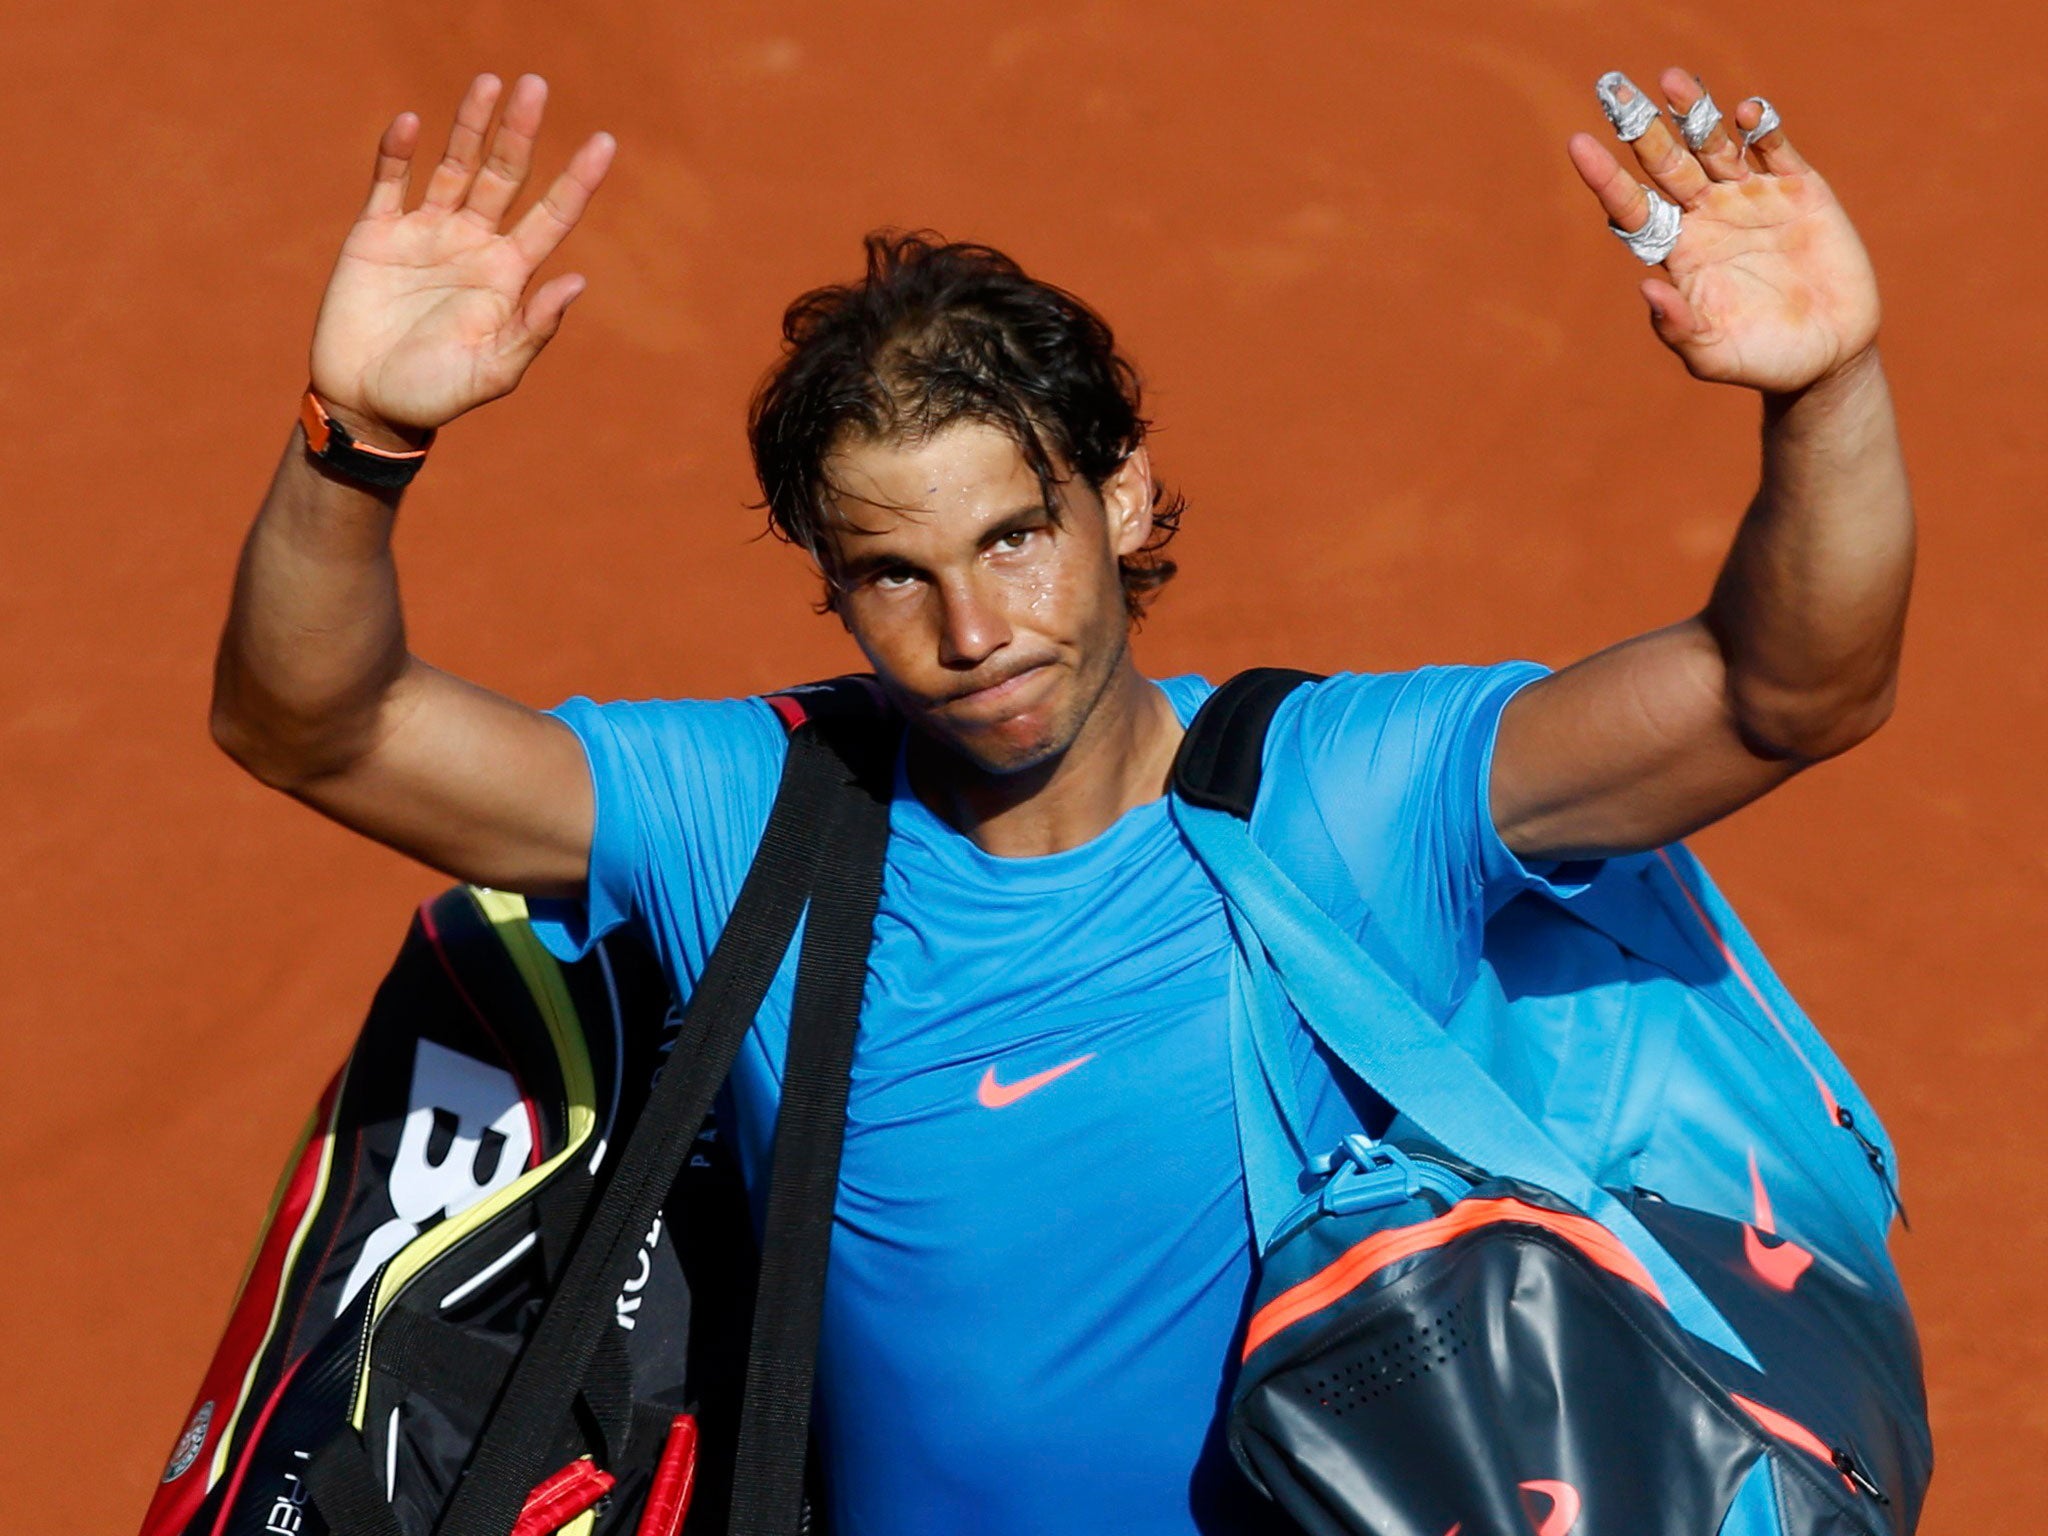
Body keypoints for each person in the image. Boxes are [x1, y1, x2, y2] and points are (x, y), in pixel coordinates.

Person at [211, 66, 1912, 1536]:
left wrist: (1822, 391)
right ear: (832, 583)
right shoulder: (756, 818)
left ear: (1123, 495)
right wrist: (353, 437)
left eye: (1014, 538)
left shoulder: (1350, 797)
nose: (969, 634)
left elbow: (1786, 689)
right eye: (893, 573)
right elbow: (318, 725)